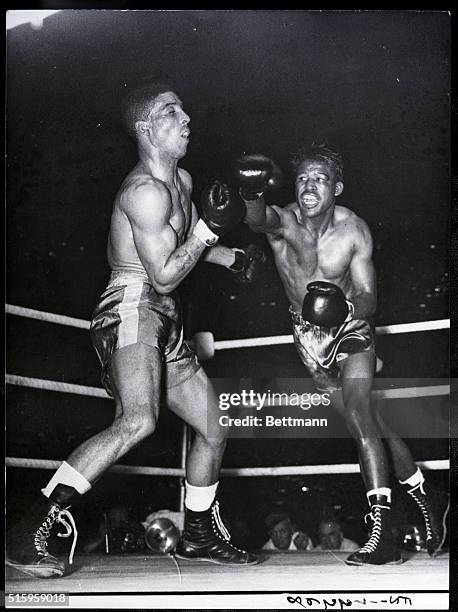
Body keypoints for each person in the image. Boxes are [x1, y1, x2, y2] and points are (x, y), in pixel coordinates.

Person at [6, 82, 260, 578]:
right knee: (138, 420)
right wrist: (210, 231)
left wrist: (227, 256)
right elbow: (163, 271)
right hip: (130, 307)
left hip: (166, 316)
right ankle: (29, 526)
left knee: (213, 425)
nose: (186, 118)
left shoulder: (181, 182)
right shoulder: (142, 192)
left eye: (185, 109)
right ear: (146, 129)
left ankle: (198, 535)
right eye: (171, 112)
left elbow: (182, 242)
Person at [236, 144, 447, 566]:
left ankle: (382, 535)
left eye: (320, 178)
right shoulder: (287, 221)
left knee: (358, 411)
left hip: (351, 328)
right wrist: (251, 193)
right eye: (302, 178)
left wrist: (346, 308)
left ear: (337, 187)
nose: (309, 185)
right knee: (367, 420)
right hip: (307, 337)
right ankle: (424, 492)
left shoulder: (354, 230)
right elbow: (259, 219)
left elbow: (369, 296)